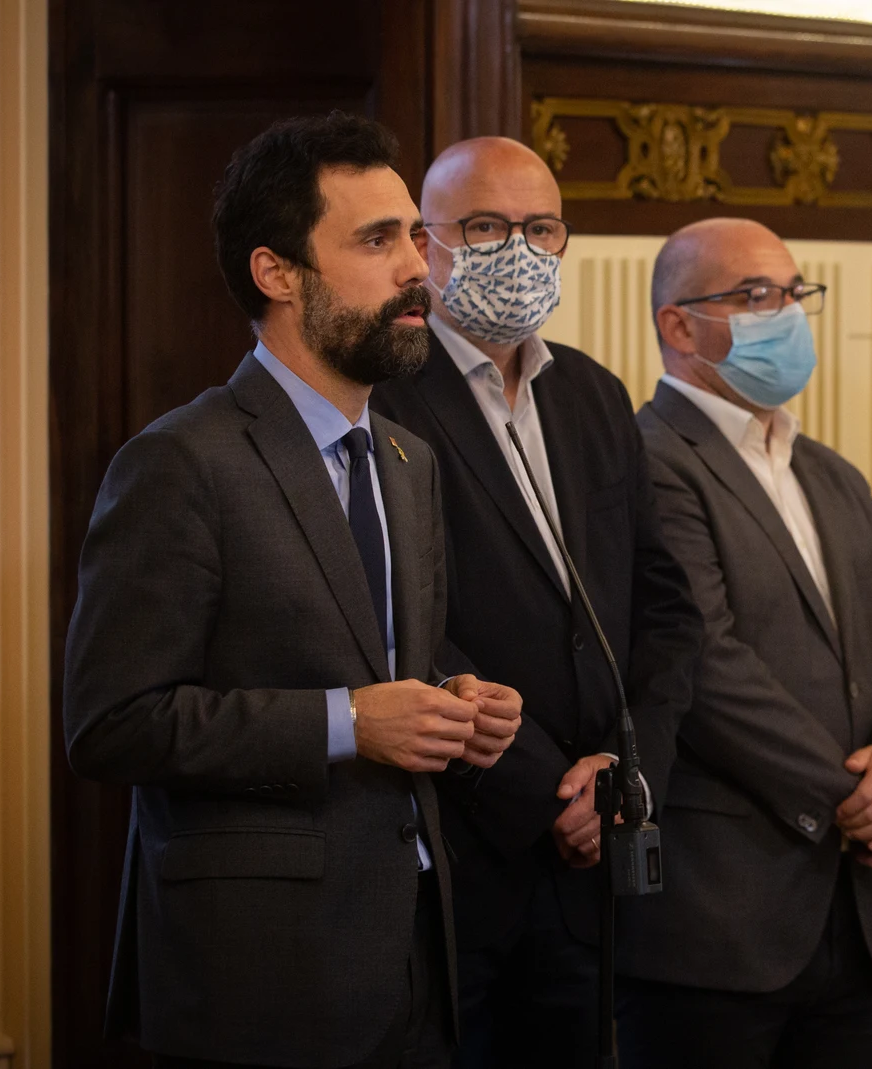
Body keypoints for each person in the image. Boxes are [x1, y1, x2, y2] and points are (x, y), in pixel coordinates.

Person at [62, 112, 524, 1069]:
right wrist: (349, 722)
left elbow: (382, 660)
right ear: (277, 274)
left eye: (414, 236)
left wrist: (457, 709)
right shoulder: (178, 462)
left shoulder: (409, 459)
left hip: (414, 961)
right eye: (376, 239)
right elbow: (113, 723)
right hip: (258, 979)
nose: (417, 269)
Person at [367, 137, 703, 1068]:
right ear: (425, 245)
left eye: (540, 227)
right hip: (464, 849)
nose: (518, 249)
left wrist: (623, 777)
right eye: (484, 226)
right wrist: (543, 787)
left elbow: (668, 610)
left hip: (595, 860)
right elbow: (397, 623)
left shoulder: (593, 392)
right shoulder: (382, 396)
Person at [620, 217, 872, 1069]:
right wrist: (851, 792)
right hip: (720, 914)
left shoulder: (830, 472)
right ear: (678, 324)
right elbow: (704, 658)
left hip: (856, 909)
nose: (785, 314)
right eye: (755, 295)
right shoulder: (648, 459)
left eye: (794, 293)